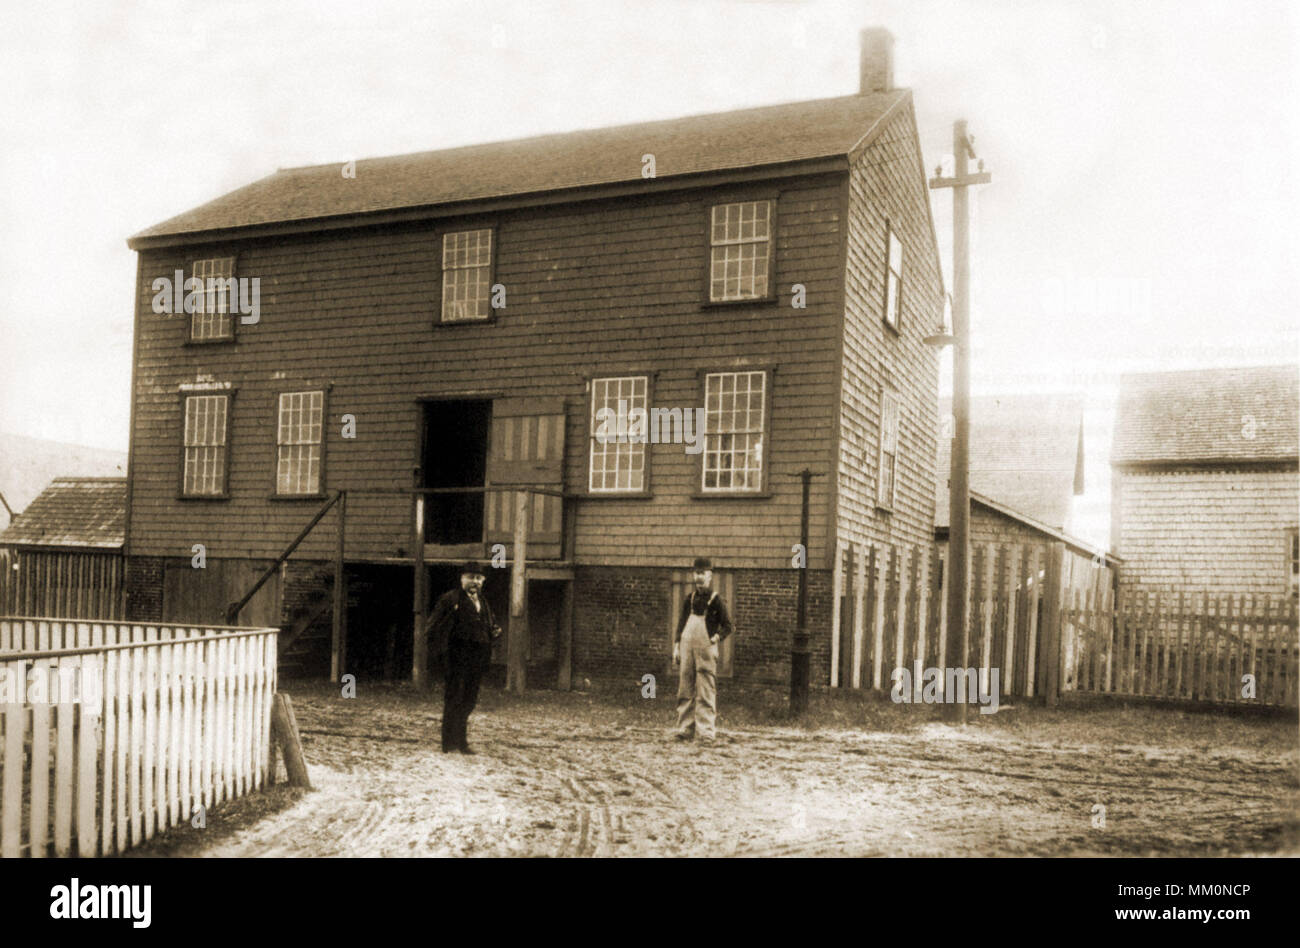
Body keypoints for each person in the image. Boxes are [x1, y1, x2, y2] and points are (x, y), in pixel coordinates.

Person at [426, 562, 501, 753]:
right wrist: (441, 652)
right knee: (453, 698)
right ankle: (448, 743)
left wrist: (494, 631)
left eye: (478, 578)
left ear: (483, 581)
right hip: (456, 657)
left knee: (469, 700)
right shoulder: (450, 600)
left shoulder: (483, 602)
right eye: (470, 577)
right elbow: (432, 627)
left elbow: (488, 625)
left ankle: (461, 741)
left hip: (476, 659)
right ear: (462, 579)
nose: (474, 582)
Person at [672, 557, 734, 743]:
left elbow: (728, 626)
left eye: (703, 574)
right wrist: (676, 646)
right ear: (694, 575)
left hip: (706, 648)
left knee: (706, 688)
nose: (699, 578)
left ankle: (706, 732)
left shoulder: (716, 600)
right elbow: (681, 624)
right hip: (686, 645)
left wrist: (716, 637)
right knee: (685, 687)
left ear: (710, 576)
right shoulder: (689, 599)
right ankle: (685, 729)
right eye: (697, 573)